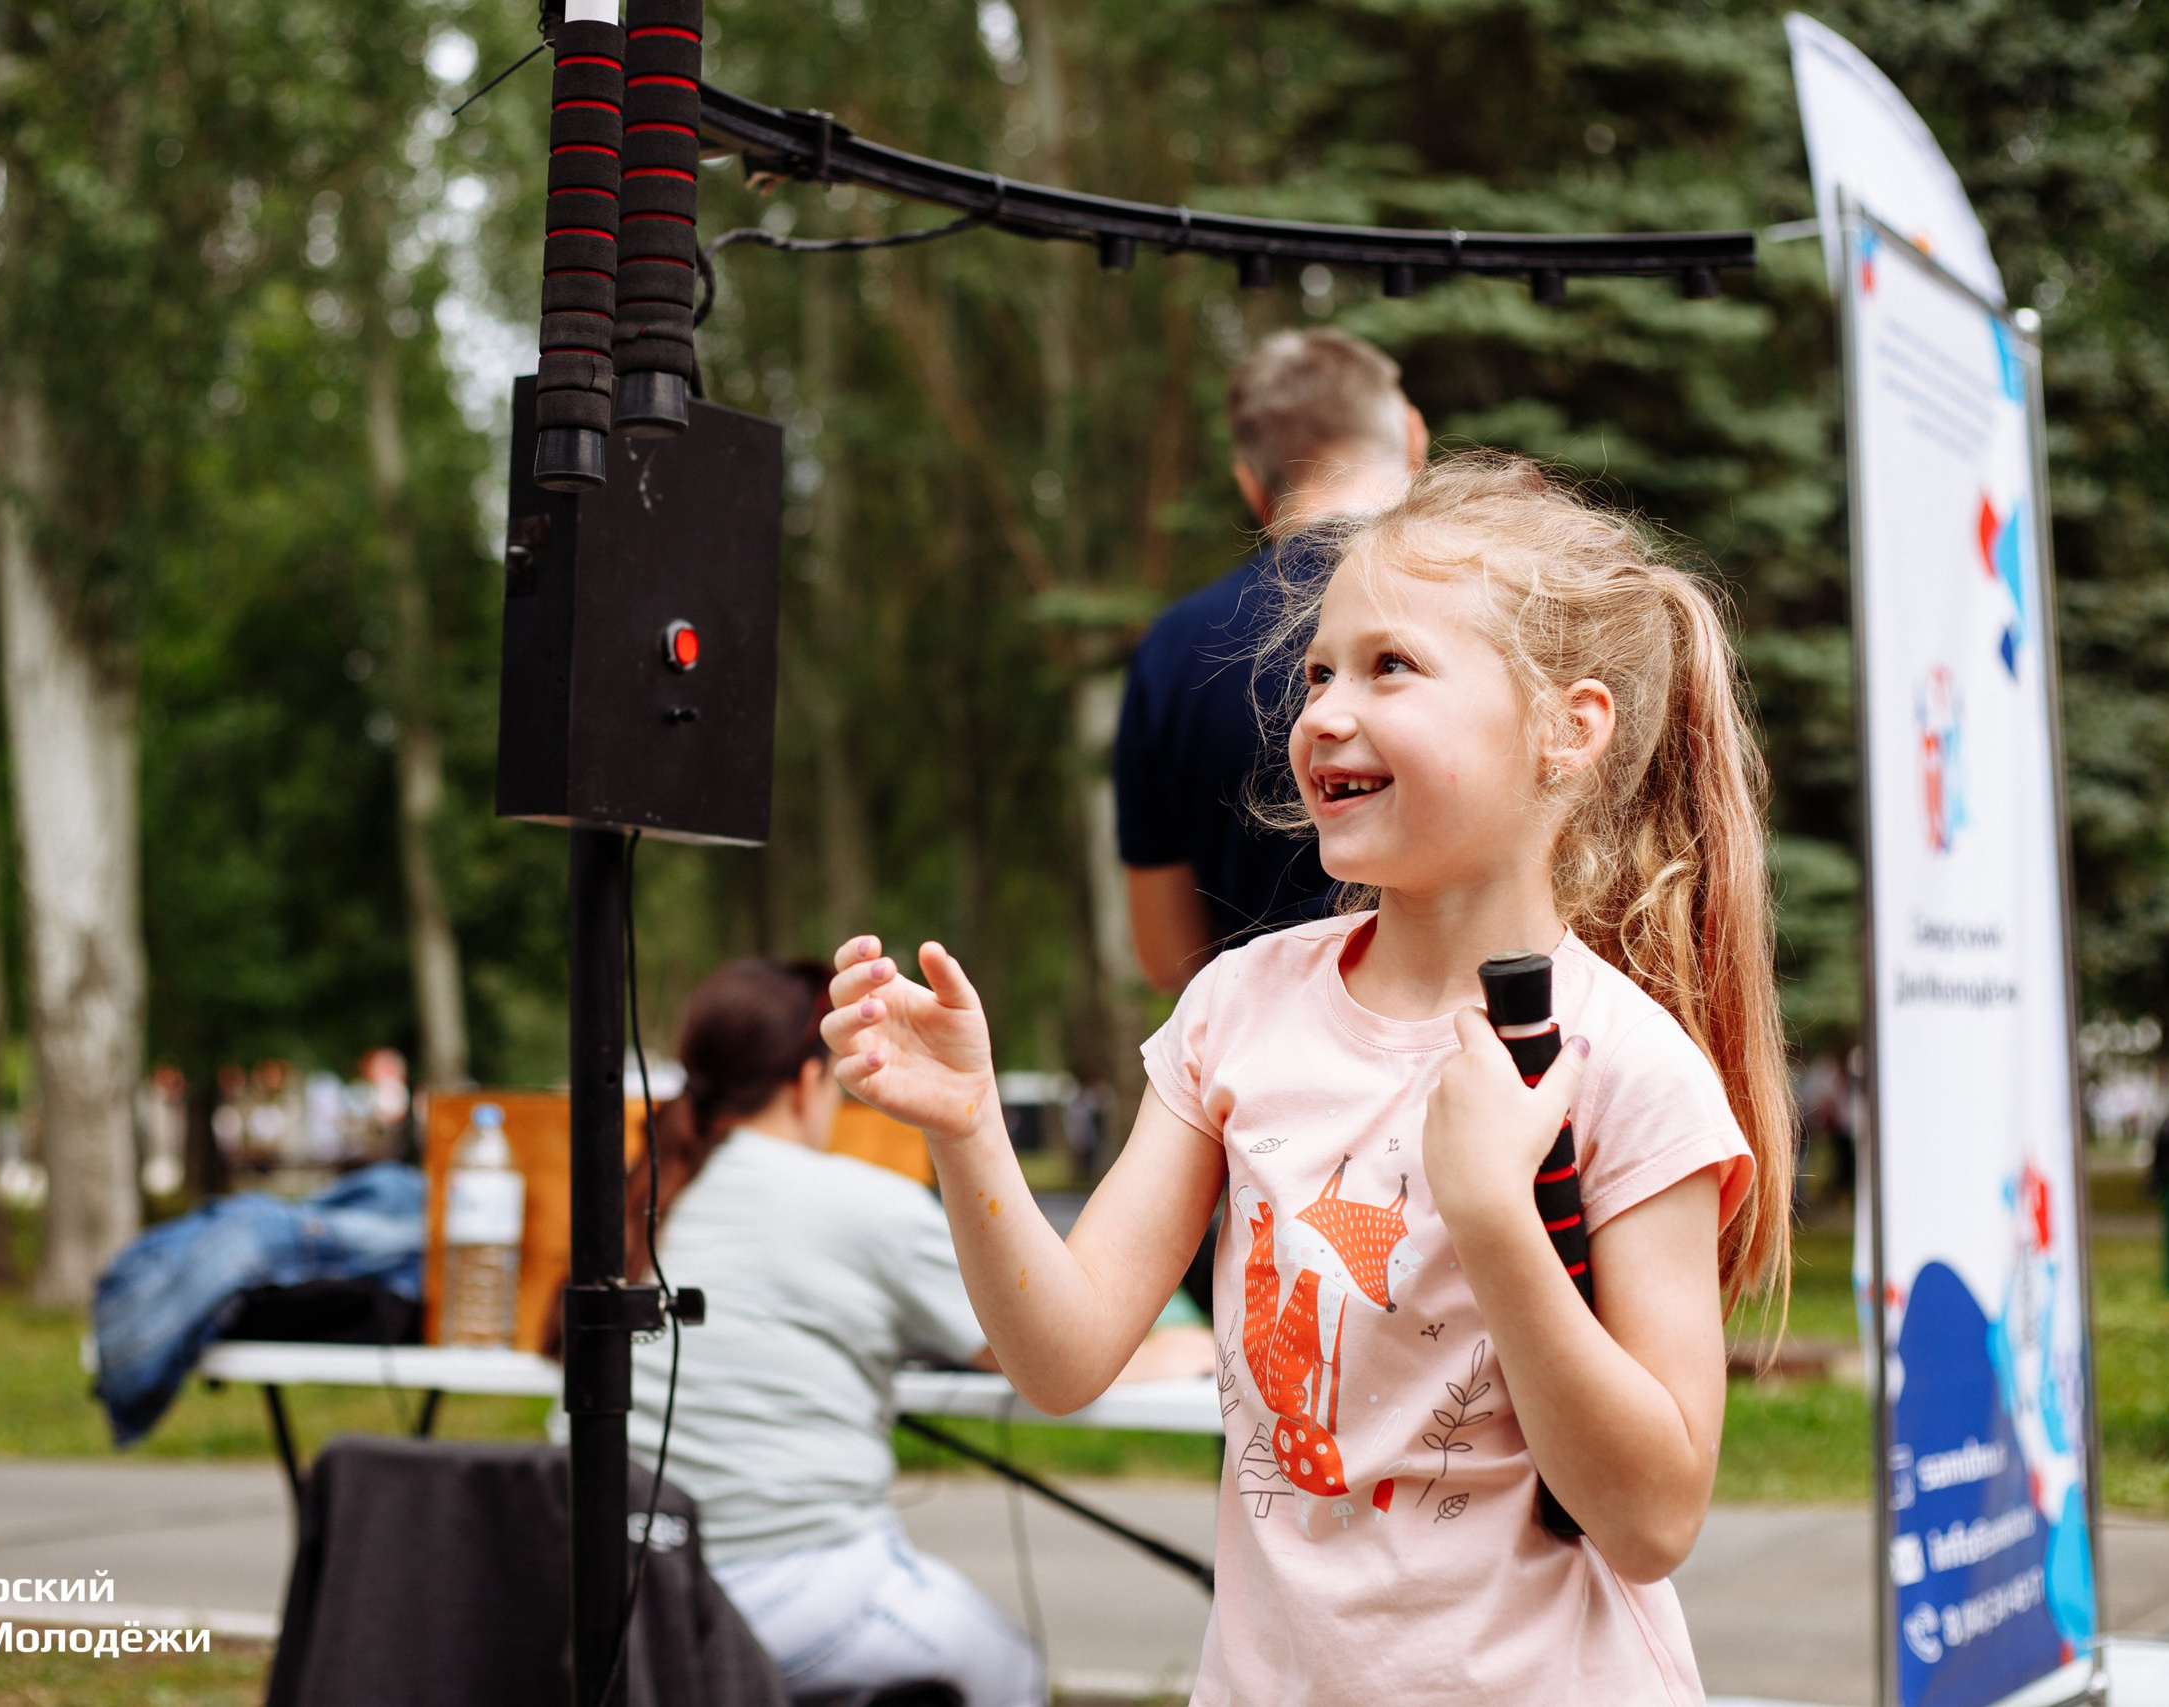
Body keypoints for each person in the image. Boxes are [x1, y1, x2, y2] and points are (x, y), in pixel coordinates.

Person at [826, 454, 1797, 1703]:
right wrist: (967, 1130)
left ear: (1569, 729)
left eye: (1391, 666)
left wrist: (1497, 1218)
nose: (1325, 712)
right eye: (1318, 671)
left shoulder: (1628, 1069)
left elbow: (1654, 1520)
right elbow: (1062, 1361)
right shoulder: (1238, 1009)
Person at [608, 959, 1043, 1707]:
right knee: (1011, 1668)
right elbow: (1035, 1342)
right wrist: (1175, 1345)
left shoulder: (647, 1199)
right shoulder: (861, 1199)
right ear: (810, 1080)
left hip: (628, 1587)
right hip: (787, 1582)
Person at [1114, 327, 1428, 993]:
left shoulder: (1173, 648)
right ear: (1414, 437)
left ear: (1251, 485)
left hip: (1259, 1068)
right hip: (1476, 1044)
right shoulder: (1481, 601)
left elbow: (1167, 952)